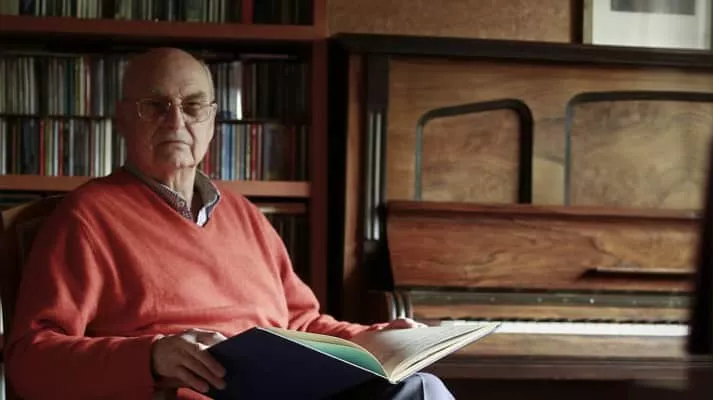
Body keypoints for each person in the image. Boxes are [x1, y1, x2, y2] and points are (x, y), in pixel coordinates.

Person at [3, 47, 455, 400]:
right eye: (155, 105)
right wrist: (151, 357)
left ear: (213, 120)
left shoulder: (244, 215)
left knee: (421, 391)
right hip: (188, 396)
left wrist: (374, 338)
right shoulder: (86, 216)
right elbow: (30, 360)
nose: (176, 120)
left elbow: (300, 322)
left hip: (288, 391)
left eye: (192, 105)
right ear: (122, 118)